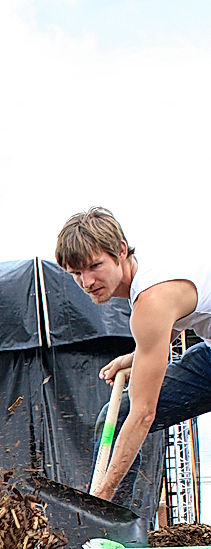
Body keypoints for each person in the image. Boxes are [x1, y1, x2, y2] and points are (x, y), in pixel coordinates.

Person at [55, 206, 211, 507]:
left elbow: (144, 413)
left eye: (94, 266)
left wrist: (103, 494)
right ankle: (113, 527)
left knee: (131, 414)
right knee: (118, 415)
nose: (87, 282)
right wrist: (134, 357)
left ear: (121, 250)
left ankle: (106, 517)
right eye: (76, 274)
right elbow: (164, 336)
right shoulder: (150, 278)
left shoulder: (151, 299)